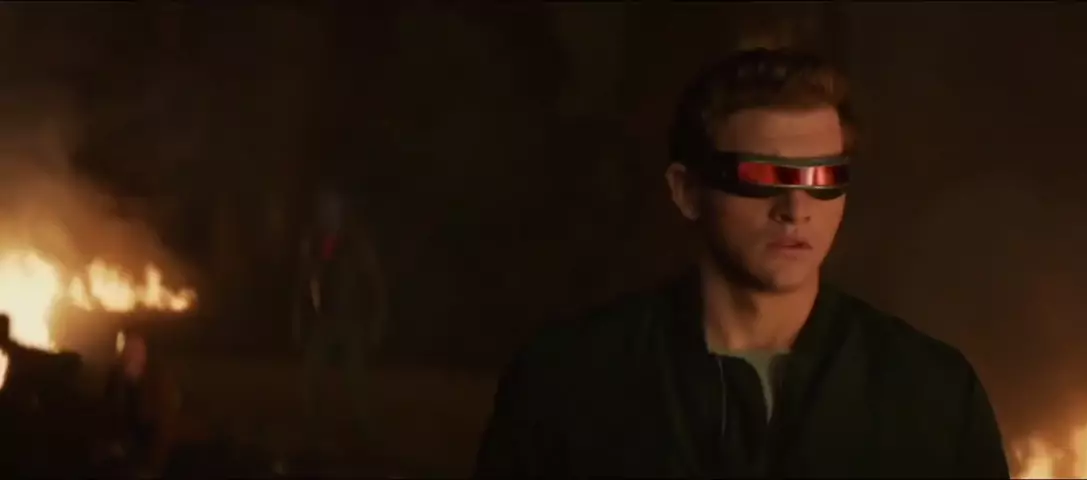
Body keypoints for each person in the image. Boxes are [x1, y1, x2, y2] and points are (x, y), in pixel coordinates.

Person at [476, 48, 1010, 477]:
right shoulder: (569, 382)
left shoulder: (930, 390)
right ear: (686, 191)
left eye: (822, 178)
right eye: (761, 178)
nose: (795, 210)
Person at [291, 185, 387, 450]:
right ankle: (313, 429)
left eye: (331, 207)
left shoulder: (356, 244)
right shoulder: (313, 243)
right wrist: (298, 318)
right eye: (323, 207)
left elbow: (375, 283)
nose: (327, 212)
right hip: (323, 320)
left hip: (350, 319)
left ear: (341, 211)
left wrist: (376, 320)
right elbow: (303, 283)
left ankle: (362, 429)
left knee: (355, 379)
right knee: (312, 376)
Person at [96, 330, 183, 478]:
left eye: (136, 351)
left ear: (143, 355)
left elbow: (163, 429)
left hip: (148, 452)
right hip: (124, 450)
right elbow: (108, 415)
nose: (130, 356)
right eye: (127, 351)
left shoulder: (158, 383)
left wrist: (150, 467)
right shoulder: (116, 379)